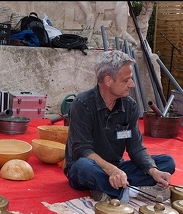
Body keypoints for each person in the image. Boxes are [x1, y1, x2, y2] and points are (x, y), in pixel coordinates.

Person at [63, 50, 175, 203]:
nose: (132, 85)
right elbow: (82, 149)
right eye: (126, 80)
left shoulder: (130, 106)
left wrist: (153, 171)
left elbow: (135, 147)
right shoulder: (82, 104)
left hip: (119, 169)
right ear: (108, 80)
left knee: (167, 162)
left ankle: (106, 189)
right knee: (83, 167)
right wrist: (111, 170)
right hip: (88, 167)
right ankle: (132, 192)